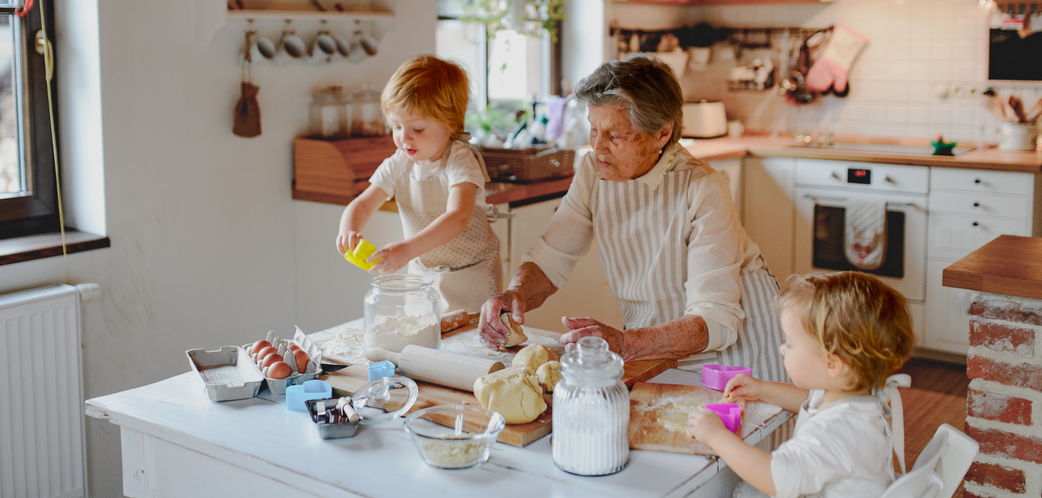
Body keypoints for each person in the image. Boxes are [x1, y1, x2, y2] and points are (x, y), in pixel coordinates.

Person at [478, 55, 785, 382]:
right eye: (594, 130)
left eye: (615, 136)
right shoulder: (593, 172)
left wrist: (624, 342)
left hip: (735, 355)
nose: (598, 148)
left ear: (662, 133)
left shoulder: (704, 188)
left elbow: (717, 320)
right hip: (651, 347)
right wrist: (517, 294)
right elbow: (551, 259)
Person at [687, 271, 915, 498]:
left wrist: (716, 436)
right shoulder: (852, 397)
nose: (783, 349)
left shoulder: (834, 431)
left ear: (832, 364)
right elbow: (809, 400)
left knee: (751, 495)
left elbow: (775, 479)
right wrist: (762, 389)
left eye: (791, 343)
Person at [336, 55, 501, 314]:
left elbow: (457, 217)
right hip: (422, 276)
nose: (404, 138)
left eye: (418, 129)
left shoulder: (460, 160)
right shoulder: (399, 162)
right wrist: (348, 230)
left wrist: (406, 249)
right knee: (424, 342)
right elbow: (364, 204)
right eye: (397, 126)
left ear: (450, 123)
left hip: (471, 277)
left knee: (471, 348)